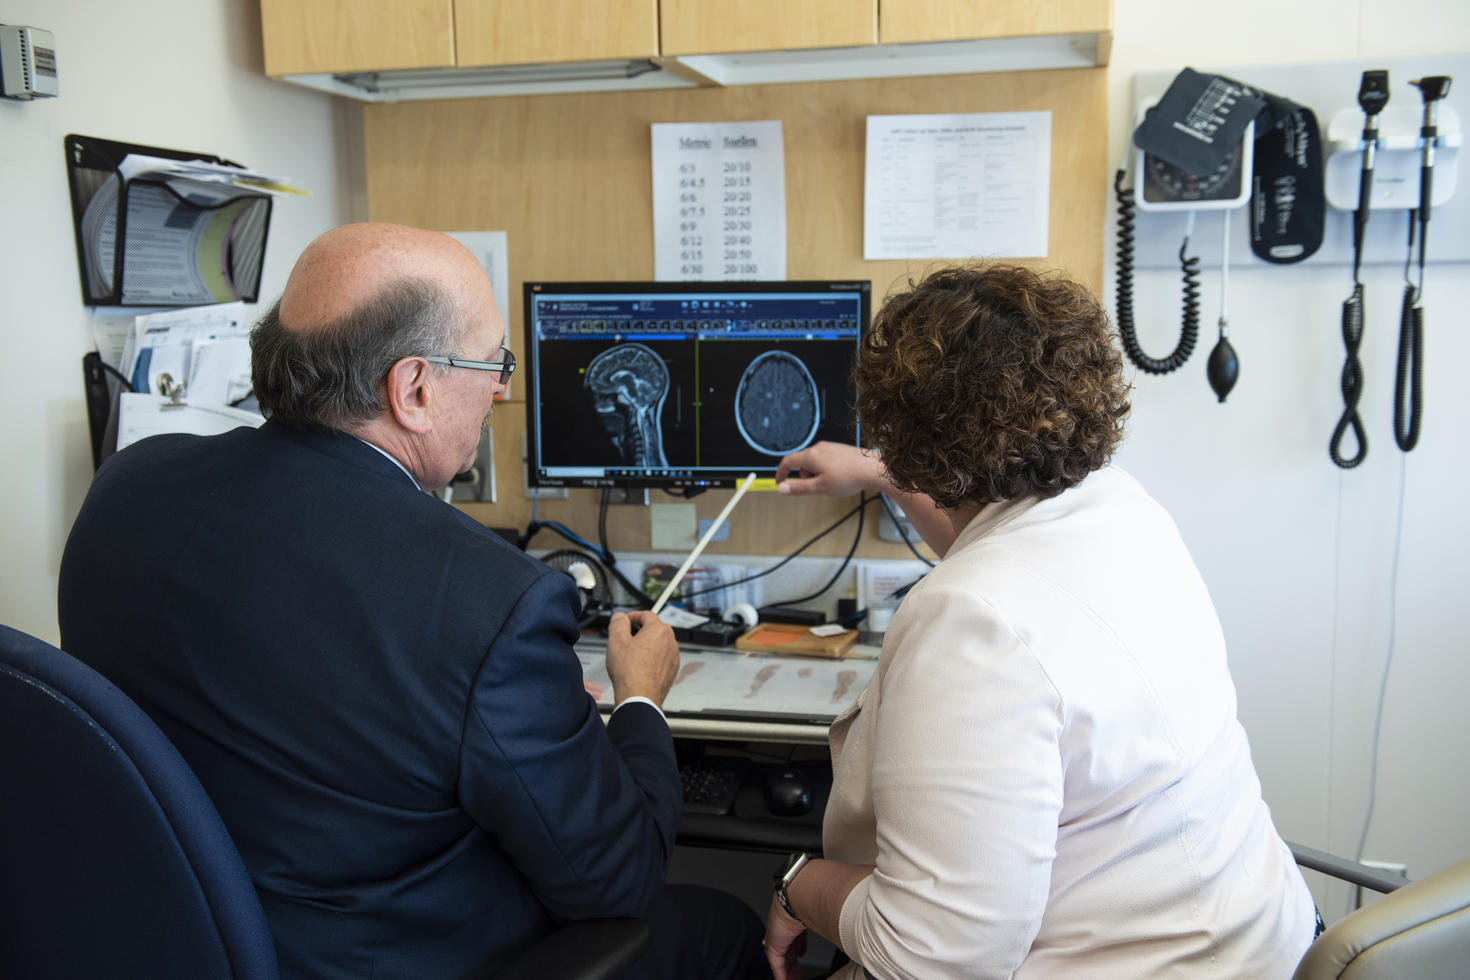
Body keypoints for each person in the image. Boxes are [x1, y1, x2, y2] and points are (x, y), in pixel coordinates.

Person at [58, 223, 768, 979]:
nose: (501, 388)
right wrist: (640, 701)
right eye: (494, 363)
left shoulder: (129, 486)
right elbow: (616, 880)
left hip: (168, 943)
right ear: (415, 389)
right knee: (723, 925)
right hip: (402, 958)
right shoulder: (490, 600)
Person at [766, 265, 1316, 978]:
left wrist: (796, 884)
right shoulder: (1123, 509)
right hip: (1266, 942)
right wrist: (882, 472)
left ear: (904, 429)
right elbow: (988, 529)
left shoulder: (969, 620)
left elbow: (926, 959)